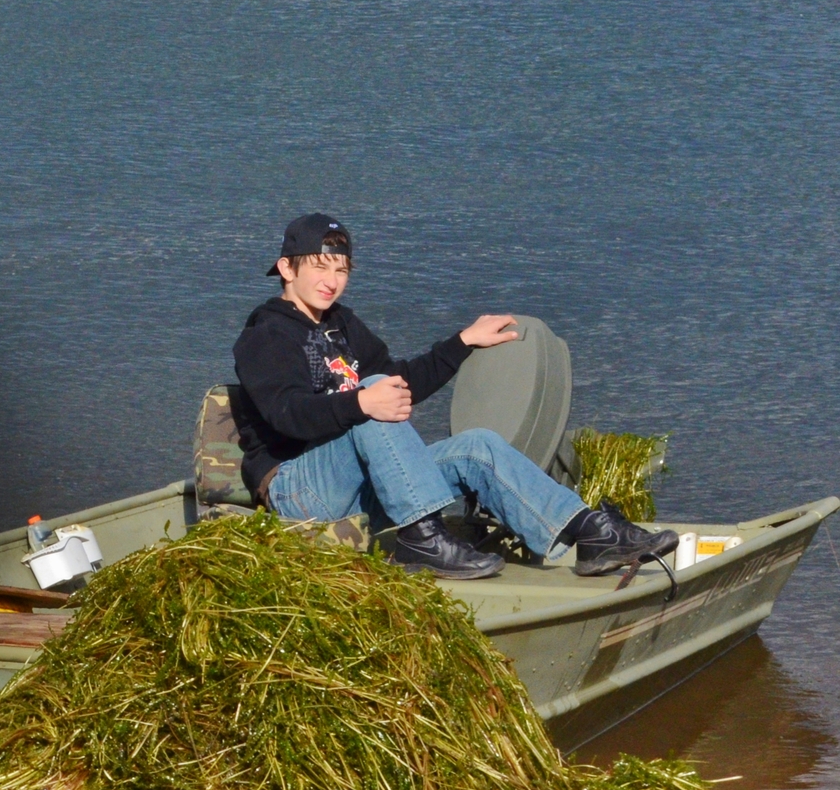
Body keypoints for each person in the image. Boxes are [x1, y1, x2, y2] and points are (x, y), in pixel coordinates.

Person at [230, 213, 678, 579]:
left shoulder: (341, 323)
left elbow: (401, 379)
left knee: (476, 447)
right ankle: (423, 539)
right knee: (370, 392)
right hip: (298, 490)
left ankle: (590, 533)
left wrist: (463, 342)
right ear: (287, 268)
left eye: (341, 270)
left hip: (359, 482)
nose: (331, 281)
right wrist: (361, 403)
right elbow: (286, 413)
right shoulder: (265, 333)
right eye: (319, 267)